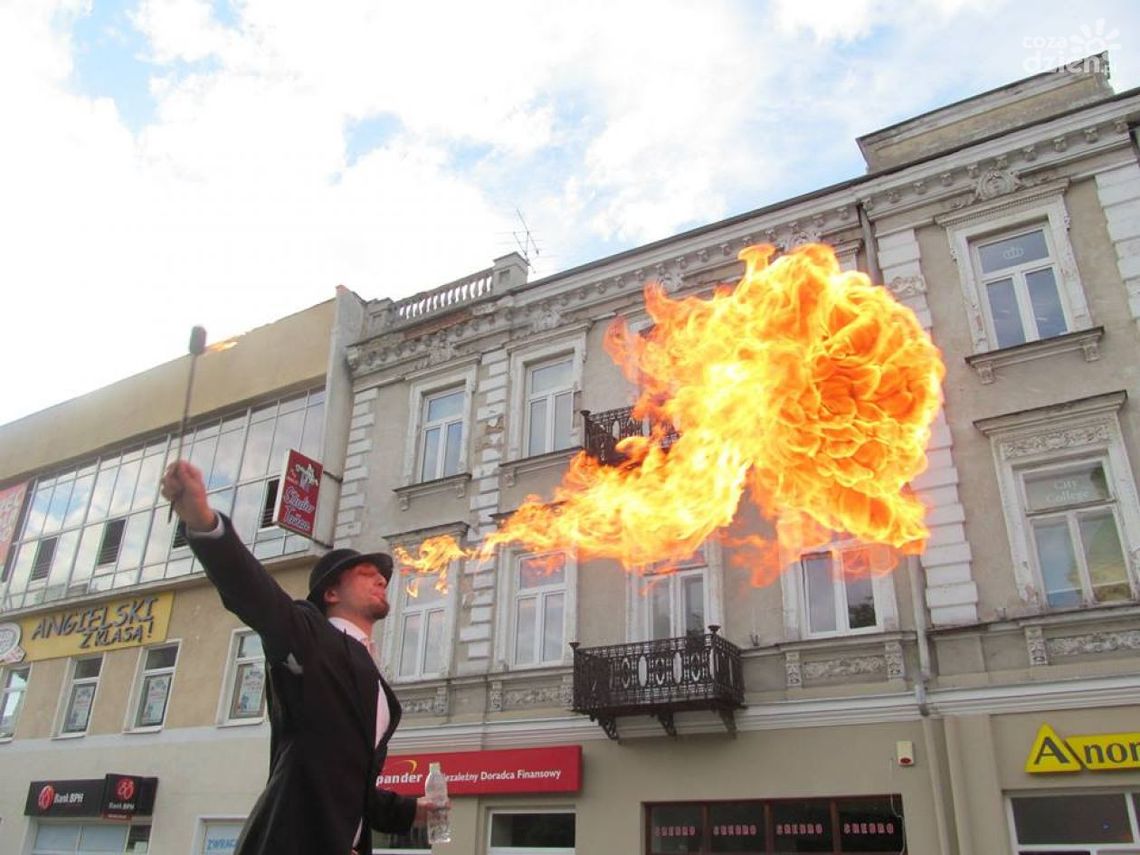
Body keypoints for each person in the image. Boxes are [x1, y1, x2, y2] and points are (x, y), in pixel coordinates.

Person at [161, 460, 439, 855]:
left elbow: (346, 783)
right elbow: (255, 595)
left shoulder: (374, 679)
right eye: (365, 572)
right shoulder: (309, 637)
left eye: (382, 576)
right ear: (331, 594)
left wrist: (412, 811)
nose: (381, 579)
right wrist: (204, 522)